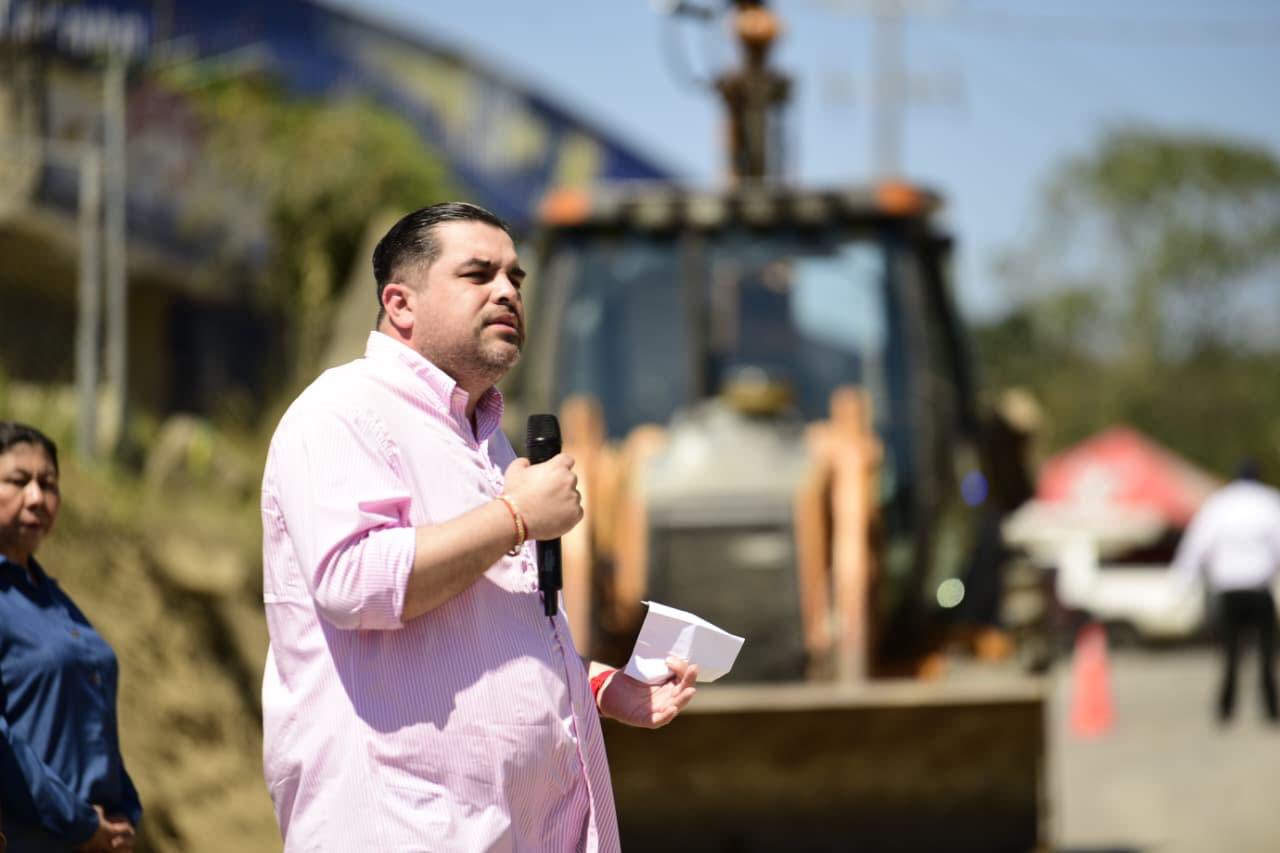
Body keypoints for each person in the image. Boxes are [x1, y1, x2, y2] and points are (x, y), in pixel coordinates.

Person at [261, 202, 699, 851]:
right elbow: (354, 582)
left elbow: (485, 631)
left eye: (515, 277)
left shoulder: (485, 440)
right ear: (400, 304)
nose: (507, 291)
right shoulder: (342, 411)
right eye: (478, 273)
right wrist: (515, 516)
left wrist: (600, 687)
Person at [0, 422, 141, 851]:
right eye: (18, 481)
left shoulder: (55, 601)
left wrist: (125, 810)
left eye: (48, 484)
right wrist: (78, 821)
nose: (36, 498)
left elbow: (89, 723)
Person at [1171, 459, 1280, 724]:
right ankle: (1270, 709)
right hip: (1258, 589)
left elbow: (1196, 546)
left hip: (1228, 591)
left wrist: (1180, 585)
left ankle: (1225, 709)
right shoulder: (1269, 502)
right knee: (1266, 654)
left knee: (1230, 653)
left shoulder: (1219, 504)